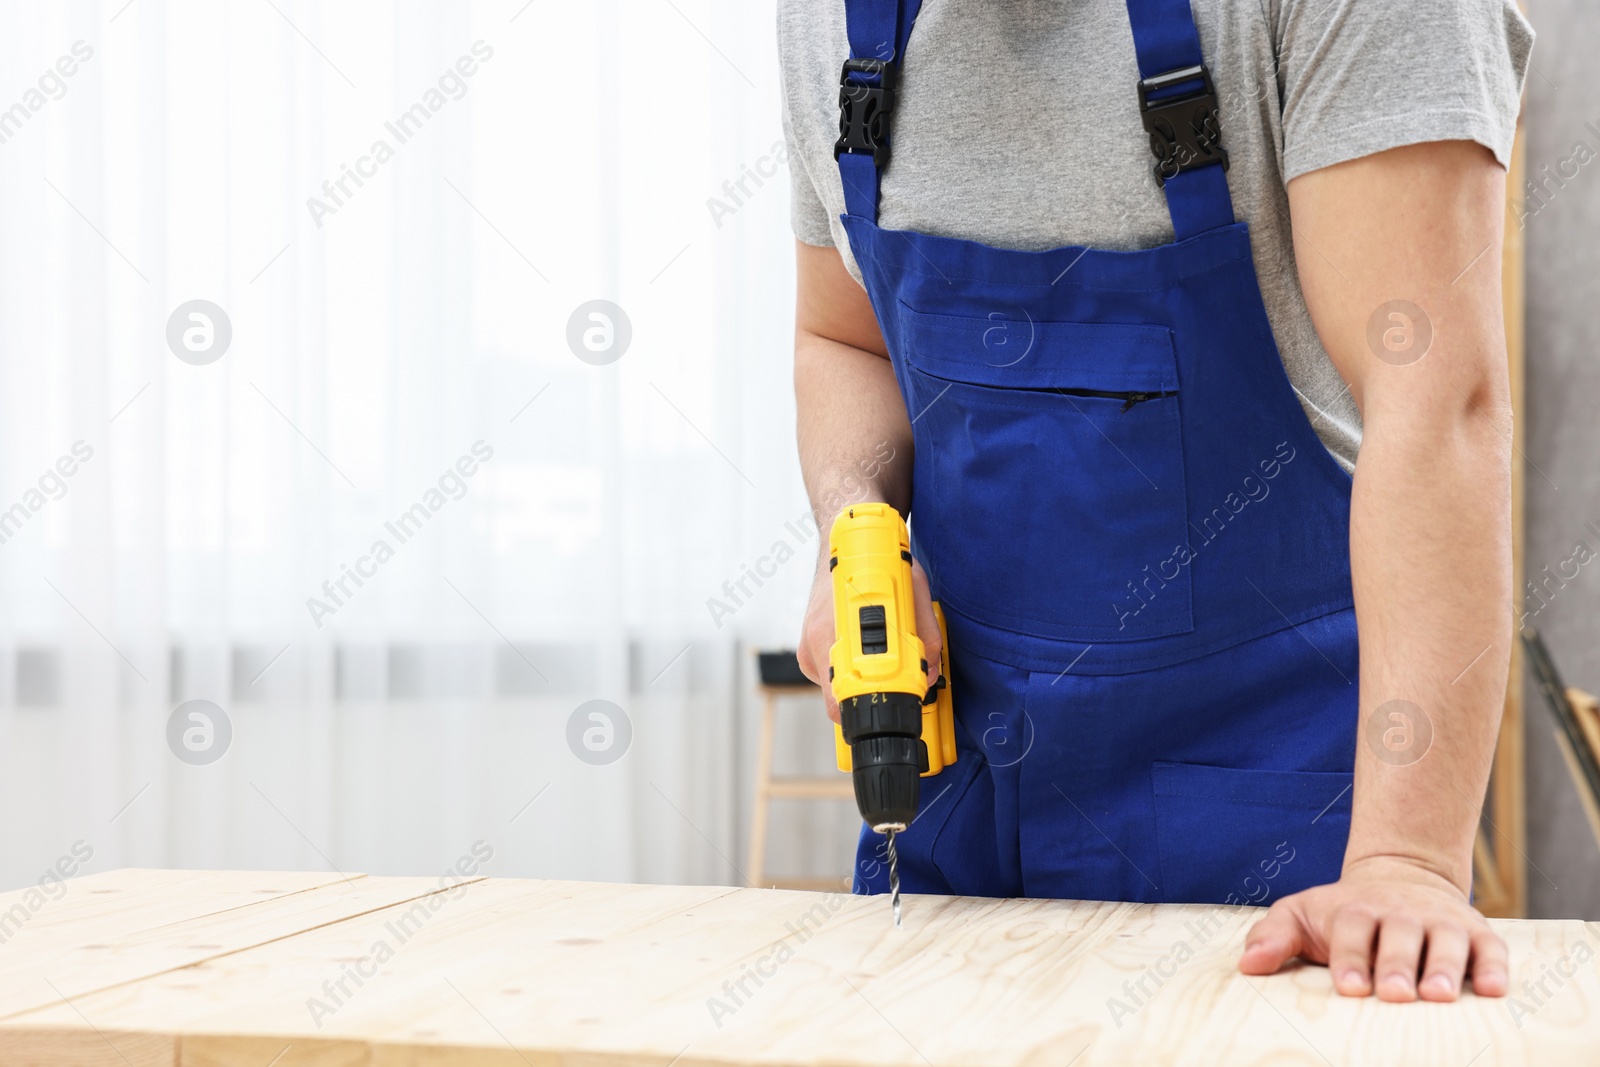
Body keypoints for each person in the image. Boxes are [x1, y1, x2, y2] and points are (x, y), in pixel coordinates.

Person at [785, 0, 1534, 1003]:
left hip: (1290, 833)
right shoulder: (826, 19)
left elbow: (1438, 406)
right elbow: (844, 336)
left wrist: (1406, 861)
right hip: (961, 819)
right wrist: (855, 525)